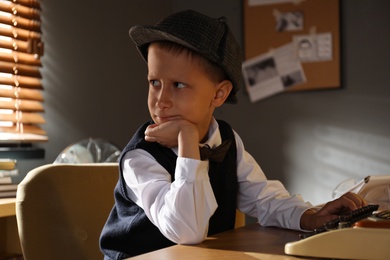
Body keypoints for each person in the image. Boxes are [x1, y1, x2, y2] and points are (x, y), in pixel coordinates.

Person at [99, 10, 366, 259]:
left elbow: (264, 198)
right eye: (154, 82)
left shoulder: (226, 140)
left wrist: (309, 216)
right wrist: (188, 140)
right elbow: (186, 231)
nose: (161, 101)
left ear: (219, 94)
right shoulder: (140, 157)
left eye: (178, 85)